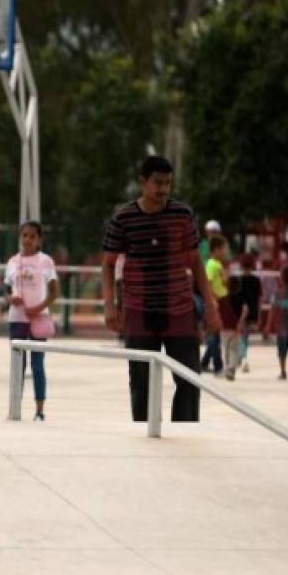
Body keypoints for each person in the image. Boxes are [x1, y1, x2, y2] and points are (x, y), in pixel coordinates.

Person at [102, 155, 220, 423]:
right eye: (157, 183)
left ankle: (186, 432)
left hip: (179, 309)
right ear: (142, 182)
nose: (163, 190)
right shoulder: (123, 218)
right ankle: (145, 434)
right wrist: (109, 305)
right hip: (138, 309)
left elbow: (196, 263)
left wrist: (210, 306)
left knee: (189, 380)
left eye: (168, 183)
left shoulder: (182, 214)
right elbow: (108, 264)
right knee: (141, 382)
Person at [5, 221, 59, 421]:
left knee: (37, 365)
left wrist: (38, 308)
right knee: (18, 365)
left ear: (39, 240)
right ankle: (14, 406)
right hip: (17, 319)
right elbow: (6, 290)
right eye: (24, 235)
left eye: (32, 236)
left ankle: (39, 410)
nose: (27, 240)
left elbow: (54, 292)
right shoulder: (12, 262)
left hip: (38, 319)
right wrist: (11, 299)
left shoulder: (46, 261)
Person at [199, 235, 228, 375]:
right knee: (214, 336)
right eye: (223, 249)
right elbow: (208, 284)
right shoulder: (211, 265)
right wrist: (212, 301)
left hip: (220, 302)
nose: (225, 252)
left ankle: (204, 363)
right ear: (216, 249)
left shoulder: (218, 265)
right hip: (215, 303)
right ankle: (218, 366)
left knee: (215, 335)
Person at [236, 252, 261, 373]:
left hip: (239, 310)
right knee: (245, 336)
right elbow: (259, 299)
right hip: (252, 311)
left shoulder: (238, 280)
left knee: (241, 335)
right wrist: (259, 315)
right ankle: (243, 357)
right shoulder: (256, 280)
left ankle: (242, 358)